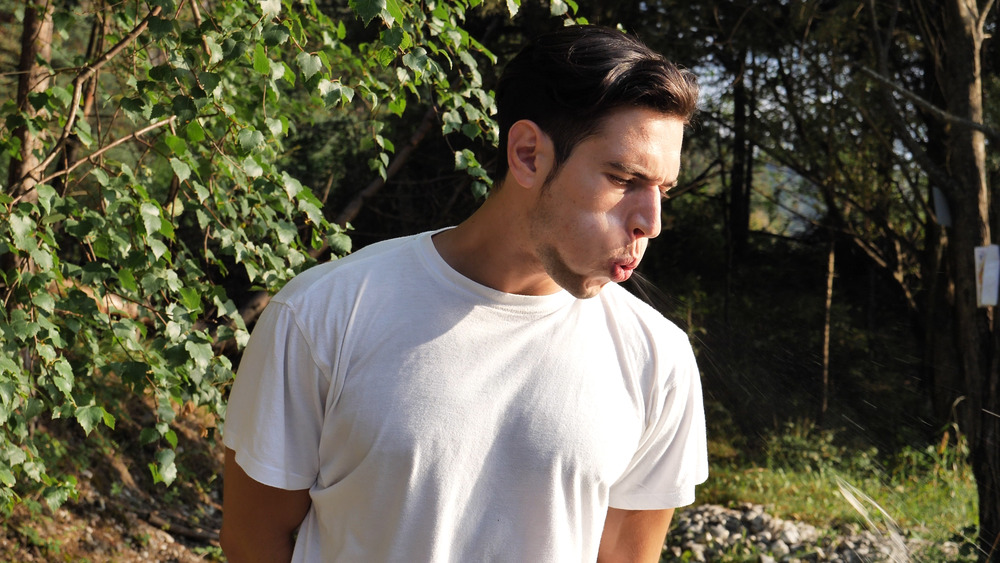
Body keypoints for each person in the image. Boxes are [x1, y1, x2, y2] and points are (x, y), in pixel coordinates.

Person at [220, 24, 708, 562]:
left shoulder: (657, 359)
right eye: (623, 178)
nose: (651, 222)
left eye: (663, 190)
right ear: (527, 154)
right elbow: (253, 540)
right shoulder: (324, 314)